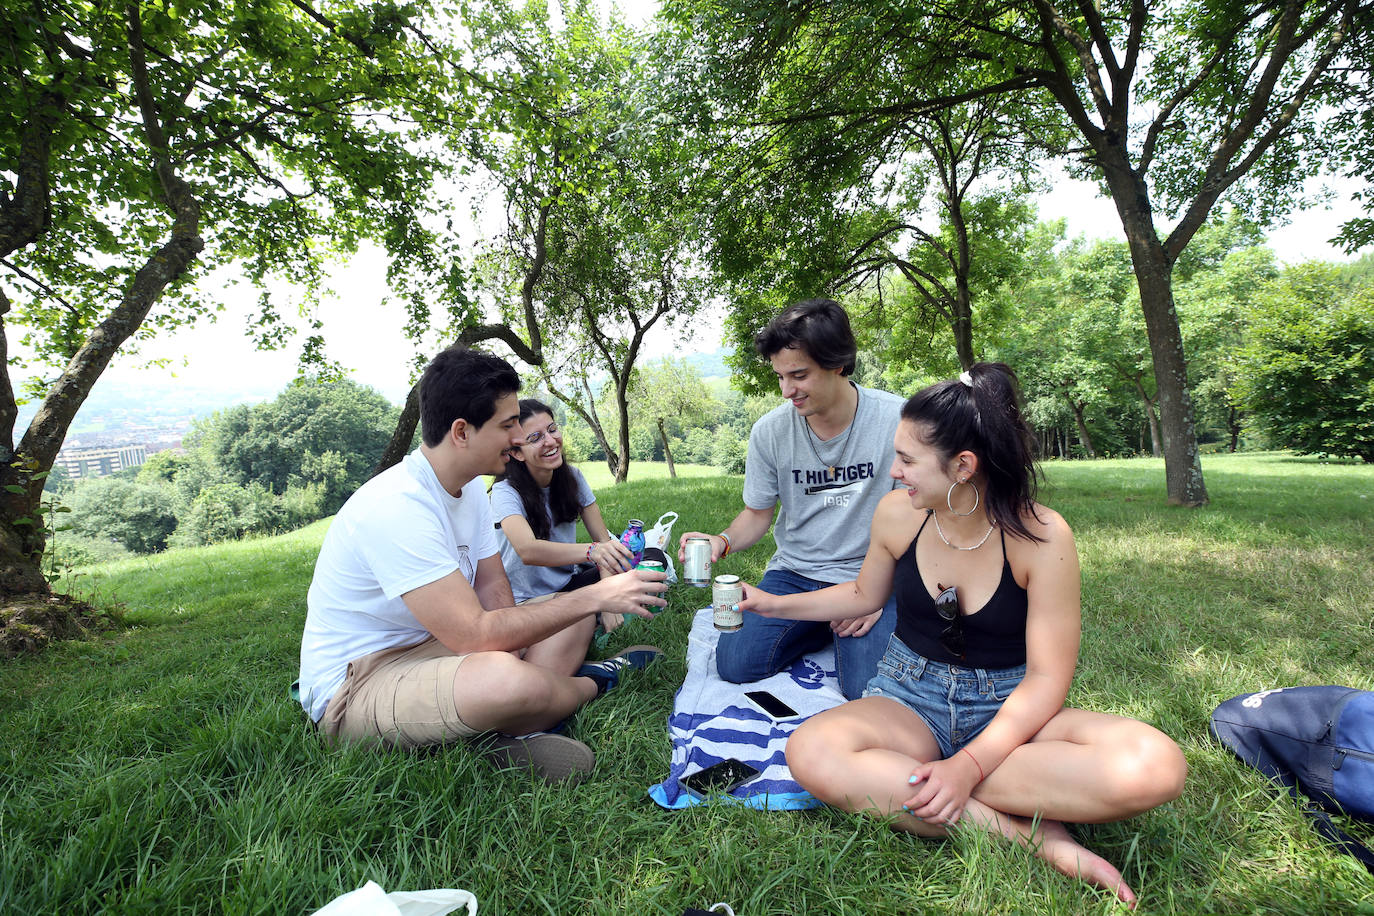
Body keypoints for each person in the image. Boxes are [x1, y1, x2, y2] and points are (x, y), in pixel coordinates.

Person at [739, 363, 1187, 906]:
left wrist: (968, 766)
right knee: (810, 750)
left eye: (905, 460)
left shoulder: (1042, 537)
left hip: (1011, 707)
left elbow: (1048, 679)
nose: (893, 473)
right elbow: (862, 597)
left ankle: (918, 786)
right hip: (910, 695)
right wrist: (771, 602)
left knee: (1155, 766)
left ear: (963, 465)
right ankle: (1029, 836)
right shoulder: (897, 516)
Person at [297, 346, 667, 782]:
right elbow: (474, 635)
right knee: (506, 676)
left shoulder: (471, 488)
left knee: (566, 619)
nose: (518, 437)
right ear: (461, 432)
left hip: (438, 649)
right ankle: (593, 681)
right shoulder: (396, 505)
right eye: (508, 425)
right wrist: (597, 594)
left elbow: (494, 590)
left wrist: (526, 640)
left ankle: (500, 728)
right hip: (361, 683)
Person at [677, 297, 902, 699]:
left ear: (838, 363)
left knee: (866, 688)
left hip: (868, 573)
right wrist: (721, 541)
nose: (786, 391)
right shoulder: (770, 432)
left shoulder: (896, 421)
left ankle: (829, 627)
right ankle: (816, 623)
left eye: (798, 375)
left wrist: (879, 593)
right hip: (795, 573)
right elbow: (757, 514)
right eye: (779, 377)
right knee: (735, 663)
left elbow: (917, 520)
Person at [491, 398, 636, 635]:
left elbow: (604, 541)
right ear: (517, 453)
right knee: (582, 611)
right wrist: (592, 552)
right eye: (535, 438)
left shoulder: (572, 478)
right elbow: (528, 550)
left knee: (644, 560)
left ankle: (598, 612)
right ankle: (589, 619)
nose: (550, 441)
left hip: (569, 584)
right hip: (527, 600)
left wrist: (607, 595)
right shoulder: (505, 492)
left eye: (552, 429)